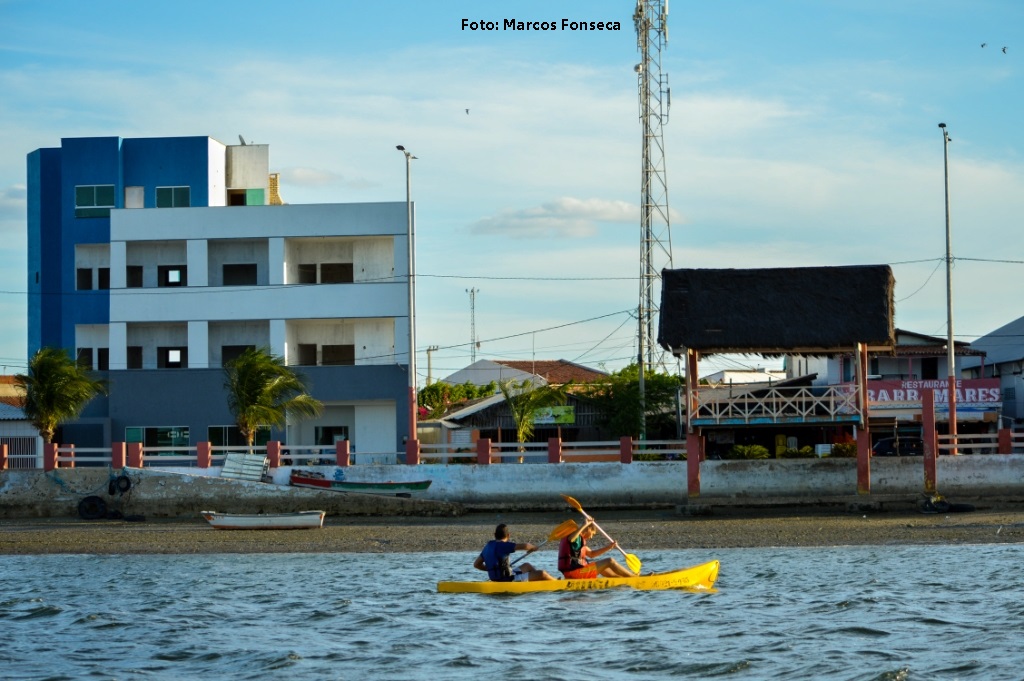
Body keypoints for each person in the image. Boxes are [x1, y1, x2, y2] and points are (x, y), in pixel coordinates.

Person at [474, 523, 555, 582]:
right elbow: (525, 546)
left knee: (527, 566)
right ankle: (556, 582)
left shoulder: (488, 546)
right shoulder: (504, 545)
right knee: (543, 573)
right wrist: (534, 547)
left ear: (495, 535)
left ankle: (536, 582)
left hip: (496, 578)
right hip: (509, 580)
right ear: (508, 535)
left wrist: (492, 569)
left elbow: (476, 565)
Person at [558, 518, 635, 579]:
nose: (591, 537)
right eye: (592, 534)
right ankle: (633, 577)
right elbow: (571, 539)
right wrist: (584, 525)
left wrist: (609, 547)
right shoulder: (576, 538)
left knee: (603, 566)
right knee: (610, 561)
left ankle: (620, 578)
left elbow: (592, 554)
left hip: (574, 572)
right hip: (574, 573)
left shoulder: (579, 541)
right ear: (589, 529)